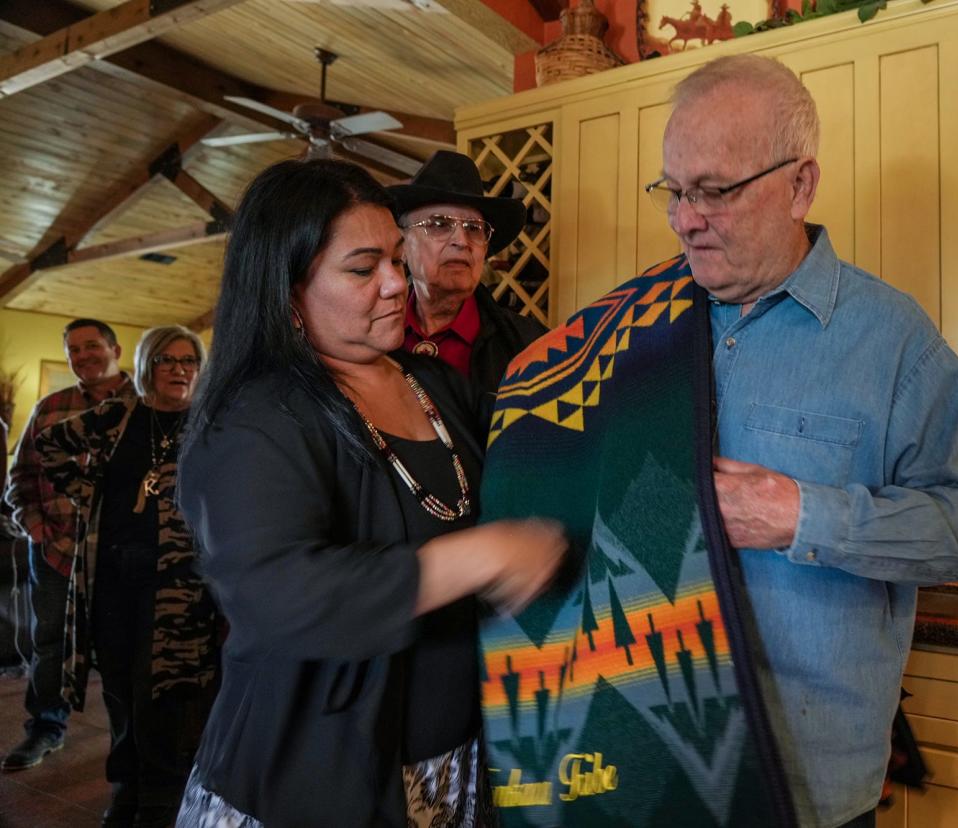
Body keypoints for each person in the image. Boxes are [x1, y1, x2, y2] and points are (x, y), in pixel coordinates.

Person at [476, 54, 958, 827]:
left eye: (716, 191)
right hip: (644, 777)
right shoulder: (631, 330)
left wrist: (801, 515)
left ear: (800, 184)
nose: (687, 218)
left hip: (810, 787)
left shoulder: (895, 343)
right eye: (675, 190)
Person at [174, 158, 566, 828]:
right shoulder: (258, 416)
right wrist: (480, 556)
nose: (395, 282)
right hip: (312, 777)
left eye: (393, 258)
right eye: (362, 268)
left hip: (445, 767)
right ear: (290, 290)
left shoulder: (430, 385)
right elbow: (277, 592)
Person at [36, 325, 218, 828]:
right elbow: (49, 443)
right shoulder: (119, 415)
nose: (180, 369)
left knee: (169, 694)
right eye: (167, 360)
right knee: (119, 689)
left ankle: (164, 797)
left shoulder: (211, 426)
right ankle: (126, 790)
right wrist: (88, 488)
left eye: (189, 361)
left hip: (182, 588)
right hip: (114, 580)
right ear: (146, 366)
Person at [3, 319, 136, 773]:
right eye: (73, 351)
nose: (83, 357)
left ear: (116, 348)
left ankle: (130, 739)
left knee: (125, 648)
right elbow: (19, 477)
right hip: (57, 552)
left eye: (92, 346)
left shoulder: (146, 404)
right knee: (49, 643)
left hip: (123, 558)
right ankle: (45, 728)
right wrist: (34, 525)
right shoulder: (49, 407)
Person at [388, 150, 545, 393]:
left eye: (474, 228)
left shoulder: (531, 344)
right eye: (439, 224)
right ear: (402, 246)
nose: (462, 241)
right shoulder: (371, 333)